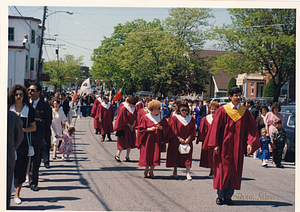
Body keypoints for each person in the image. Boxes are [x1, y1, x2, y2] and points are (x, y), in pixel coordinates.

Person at [202, 87, 260, 205]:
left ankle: (228, 196)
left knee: (234, 171)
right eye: (235, 95)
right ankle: (220, 195)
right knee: (223, 171)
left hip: (237, 148)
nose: (238, 98)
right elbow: (215, 129)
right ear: (230, 96)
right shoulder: (223, 110)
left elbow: (251, 129)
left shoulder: (245, 112)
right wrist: (215, 144)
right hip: (223, 147)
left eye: (239, 95)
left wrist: (250, 143)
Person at [8, 84, 36, 203]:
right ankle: (7, 191)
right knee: (9, 168)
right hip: (9, 143)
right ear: (13, 96)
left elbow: (33, 128)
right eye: (16, 94)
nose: (18, 96)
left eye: (21, 95)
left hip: (23, 143)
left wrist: (21, 130)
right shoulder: (9, 108)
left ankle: (17, 194)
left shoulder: (29, 110)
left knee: (20, 169)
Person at [136, 100, 170, 178]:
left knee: (155, 156)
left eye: (159, 108)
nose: (159, 110)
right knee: (147, 155)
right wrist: (149, 129)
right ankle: (146, 170)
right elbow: (140, 129)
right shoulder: (145, 117)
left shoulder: (162, 118)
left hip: (157, 140)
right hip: (147, 140)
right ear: (153, 108)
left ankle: (151, 171)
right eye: (158, 108)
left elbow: (167, 128)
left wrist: (161, 128)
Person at [28, 83, 52, 191]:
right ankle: (19, 180)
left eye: (32, 90)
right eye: (29, 90)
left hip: (37, 136)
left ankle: (33, 182)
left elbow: (48, 121)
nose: (30, 92)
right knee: (22, 159)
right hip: (24, 135)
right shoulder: (25, 104)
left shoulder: (45, 106)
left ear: (38, 92)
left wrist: (35, 122)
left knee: (35, 160)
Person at [166, 103, 196, 180]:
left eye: (186, 110)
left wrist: (189, 138)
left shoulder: (191, 118)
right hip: (176, 140)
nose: (184, 111)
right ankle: (175, 171)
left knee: (187, 157)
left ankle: (188, 173)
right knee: (176, 155)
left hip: (187, 141)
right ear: (179, 109)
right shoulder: (175, 118)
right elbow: (173, 128)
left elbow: (193, 130)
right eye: (182, 110)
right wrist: (179, 138)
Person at [196, 101, 219, 178]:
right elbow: (202, 130)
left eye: (215, 109)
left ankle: (216, 171)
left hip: (218, 140)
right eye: (212, 109)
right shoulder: (205, 119)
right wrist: (200, 139)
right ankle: (212, 171)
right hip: (208, 140)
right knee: (210, 156)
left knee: (217, 156)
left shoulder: (220, 118)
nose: (213, 110)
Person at [113, 96, 138, 162]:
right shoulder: (124, 108)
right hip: (124, 128)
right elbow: (123, 118)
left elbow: (136, 117)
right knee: (122, 142)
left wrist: (133, 125)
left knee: (130, 142)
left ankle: (127, 156)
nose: (132, 105)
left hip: (131, 128)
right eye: (131, 104)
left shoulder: (135, 109)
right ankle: (117, 155)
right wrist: (129, 125)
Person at [7, 110, 23, 208]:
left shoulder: (13, 117)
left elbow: (19, 136)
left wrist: (11, 148)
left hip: (8, 157)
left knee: (6, 188)